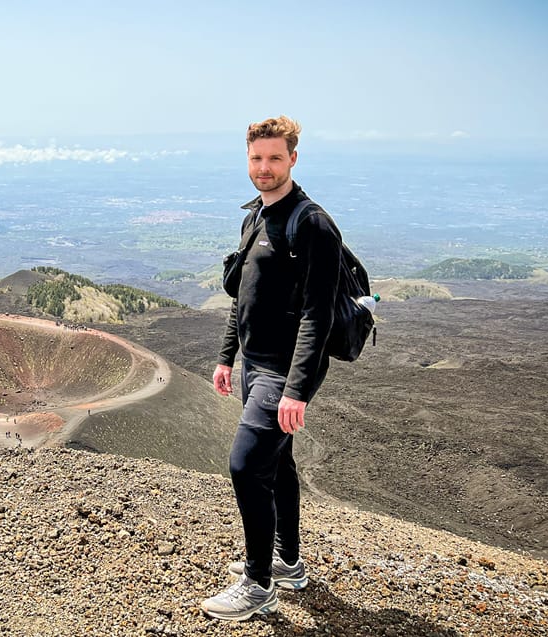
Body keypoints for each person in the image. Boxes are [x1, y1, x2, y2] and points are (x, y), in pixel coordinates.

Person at [201, 116, 342, 622]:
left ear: (293, 160)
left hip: (284, 372)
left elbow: (318, 314)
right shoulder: (255, 216)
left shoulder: (312, 223)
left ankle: (258, 585)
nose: (264, 168)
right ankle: (287, 561)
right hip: (253, 366)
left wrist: (297, 390)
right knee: (277, 464)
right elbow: (243, 297)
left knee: (245, 466)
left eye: (275, 158)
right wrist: (226, 356)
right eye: (257, 159)